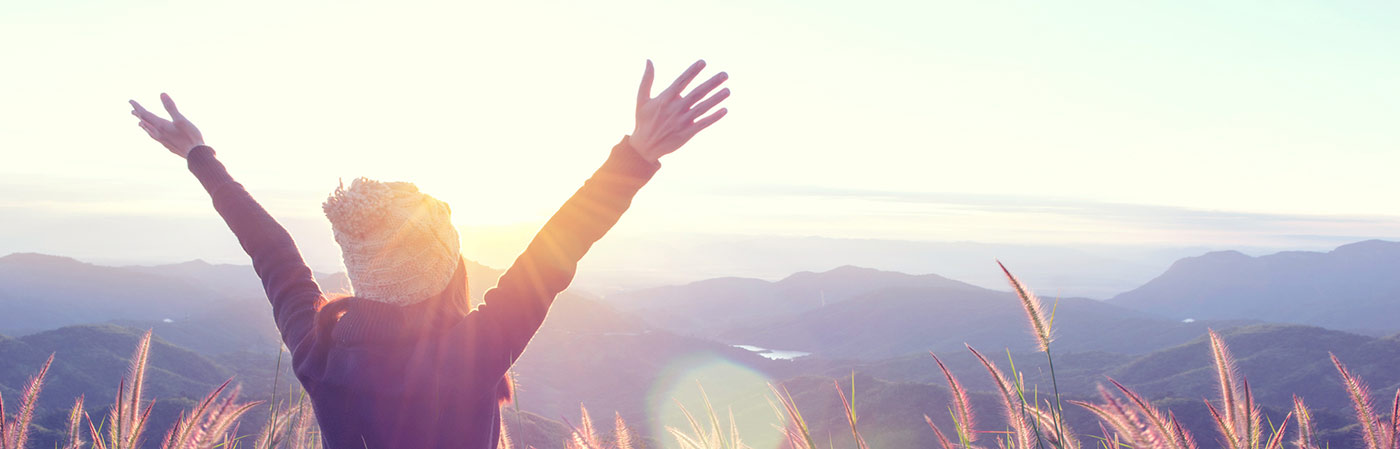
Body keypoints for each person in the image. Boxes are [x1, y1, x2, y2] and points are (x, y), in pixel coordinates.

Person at [129, 59, 729, 449]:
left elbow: (272, 255)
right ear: (449, 270)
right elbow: (558, 248)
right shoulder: (472, 353)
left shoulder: (318, 350)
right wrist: (638, 154)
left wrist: (200, 158)